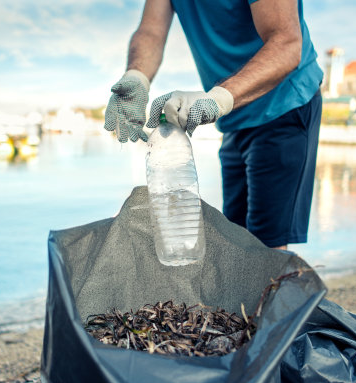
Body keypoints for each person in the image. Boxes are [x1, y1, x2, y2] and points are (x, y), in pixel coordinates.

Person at [104, 0, 323, 251]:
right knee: (236, 236)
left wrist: (216, 99)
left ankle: (280, 288)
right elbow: (151, 31)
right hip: (234, 117)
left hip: (284, 101)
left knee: (266, 244)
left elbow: (287, 43)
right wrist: (136, 77)